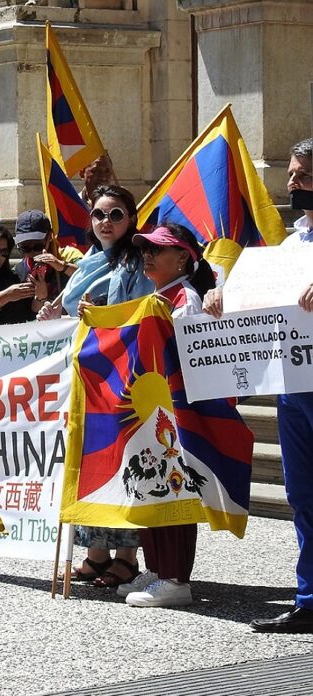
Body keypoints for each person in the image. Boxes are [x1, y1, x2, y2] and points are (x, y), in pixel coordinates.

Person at [205, 138, 313, 632]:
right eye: (291, 175)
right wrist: (223, 295)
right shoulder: (291, 246)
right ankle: (310, 599)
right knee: (302, 495)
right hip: (295, 388)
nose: (292, 183)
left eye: (303, 176)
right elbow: (259, 301)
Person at [43, 185, 155, 587]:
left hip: (120, 377)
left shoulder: (138, 264)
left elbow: (143, 315)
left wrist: (102, 316)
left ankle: (126, 555)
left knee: (120, 462)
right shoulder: (89, 261)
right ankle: (95, 554)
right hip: (85, 378)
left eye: (116, 215)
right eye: (98, 215)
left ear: (131, 219)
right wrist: (54, 313)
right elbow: (76, 313)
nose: (106, 223)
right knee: (87, 460)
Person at [109, 222, 216, 607]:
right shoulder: (159, 295)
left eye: (158, 249)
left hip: (173, 410)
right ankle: (157, 566)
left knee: (173, 483)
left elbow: (188, 354)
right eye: (146, 249)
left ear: (183, 257)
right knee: (152, 481)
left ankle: (175, 577)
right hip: (152, 409)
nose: (148, 255)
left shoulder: (184, 299)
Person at [13, 209, 83, 320]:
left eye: (37, 246)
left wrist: (61, 266)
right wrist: (41, 298)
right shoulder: (20, 270)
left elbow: (86, 275)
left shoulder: (69, 256)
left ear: (49, 237)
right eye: (25, 247)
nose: (32, 252)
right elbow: (31, 314)